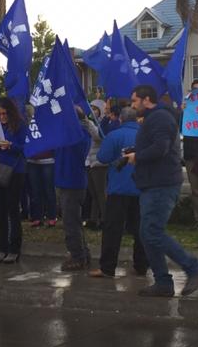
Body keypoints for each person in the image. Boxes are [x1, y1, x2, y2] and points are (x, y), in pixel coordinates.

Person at [126, 84, 198, 297]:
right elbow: (157, 144)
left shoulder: (160, 118)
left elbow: (161, 148)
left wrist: (138, 156)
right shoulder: (155, 118)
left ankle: (194, 268)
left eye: (135, 101)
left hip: (161, 184)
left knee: (152, 232)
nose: (132, 105)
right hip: (153, 183)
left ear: (146, 100)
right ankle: (163, 281)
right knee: (147, 233)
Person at [94, 106, 148, 277]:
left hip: (118, 189)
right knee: (141, 229)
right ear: (137, 119)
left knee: (113, 230)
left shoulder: (114, 135)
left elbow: (102, 157)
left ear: (121, 119)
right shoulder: (147, 136)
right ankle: (142, 265)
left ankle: (107, 268)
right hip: (141, 189)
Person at [0, 97, 28, 265]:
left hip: (15, 171)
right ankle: (2, 247)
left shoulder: (20, 126)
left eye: (4, 114)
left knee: (13, 210)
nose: (2, 117)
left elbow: (26, 149)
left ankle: (14, 248)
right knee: (1, 210)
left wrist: (10, 145)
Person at [55, 109, 95, 271]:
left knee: (71, 222)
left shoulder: (79, 136)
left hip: (72, 183)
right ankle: (82, 252)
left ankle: (77, 256)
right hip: (65, 181)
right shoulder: (71, 134)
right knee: (73, 221)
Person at [181, 80, 198, 223]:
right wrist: (182, 113)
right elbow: (179, 130)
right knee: (196, 190)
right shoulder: (186, 109)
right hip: (192, 154)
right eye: (195, 90)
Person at [84, 108, 107, 233]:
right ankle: (93, 219)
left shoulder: (100, 123)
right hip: (89, 162)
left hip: (99, 163)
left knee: (100, 193)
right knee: (94, 193)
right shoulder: (89, 124)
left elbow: (98, 136)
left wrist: (88, 123)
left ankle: (104, 219)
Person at [27, 149, 57, 228]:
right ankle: (37, 217)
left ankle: (52, 217)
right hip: (32, 160)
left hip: (48, 160)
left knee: (49, 190)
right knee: (35, 191)